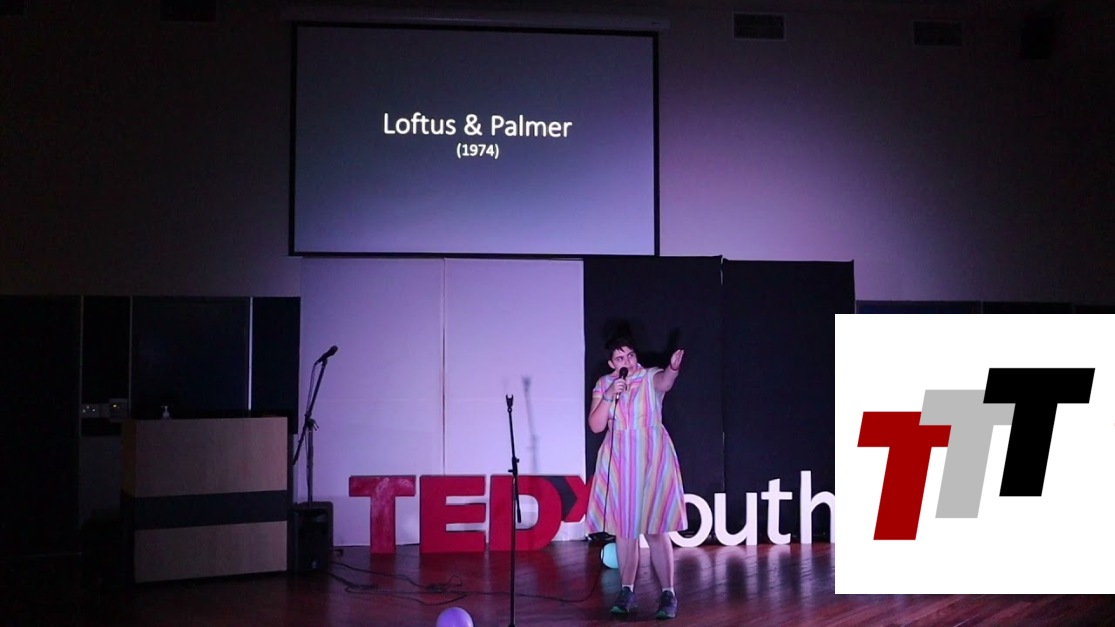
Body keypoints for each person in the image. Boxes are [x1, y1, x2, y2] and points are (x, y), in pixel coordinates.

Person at [586, 333, 686, 619]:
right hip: (620, 459)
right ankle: (627, 591)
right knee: (625, 529)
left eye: (630, 355)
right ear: (611, 363)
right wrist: (609, 395)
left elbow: (665, 381)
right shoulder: (604, 384)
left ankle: (667, 593)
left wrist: (673, 368)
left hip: (651, 457)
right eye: (620, 358)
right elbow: (595, 425)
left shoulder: (648, 377)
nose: (627, 362)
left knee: (655, 528)